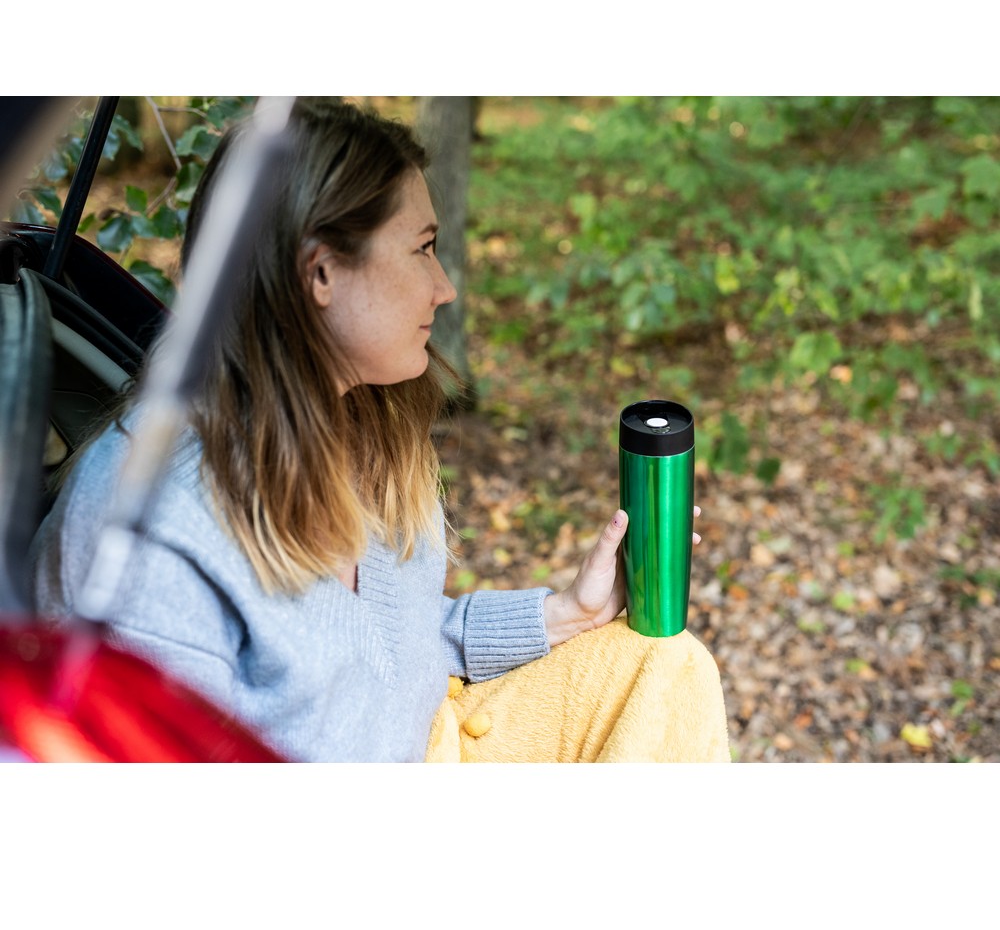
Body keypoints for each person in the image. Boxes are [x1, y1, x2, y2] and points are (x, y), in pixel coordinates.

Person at [31, 98, 729, 763]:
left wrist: (567, 612)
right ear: (322, 272)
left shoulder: (360, 421)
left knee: (665, 666)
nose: (444, 287)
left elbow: (397, 651)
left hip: (437, 744)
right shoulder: (149, 537)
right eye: (423, 248)